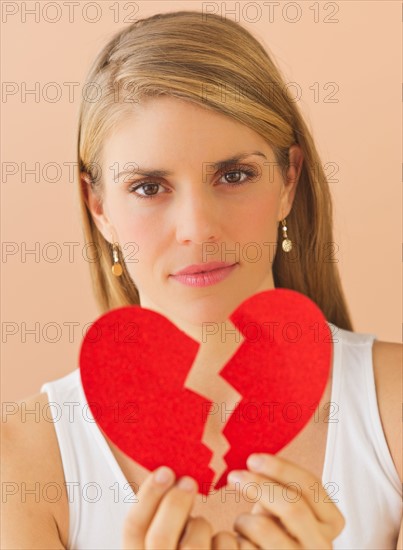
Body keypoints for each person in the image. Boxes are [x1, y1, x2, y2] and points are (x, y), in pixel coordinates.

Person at [2, 10, 402, 550]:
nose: (198, 229)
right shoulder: (22, 462)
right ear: (98, 207)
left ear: (289, 181)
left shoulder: (393, 407)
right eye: (148, 187)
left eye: (234, 175)